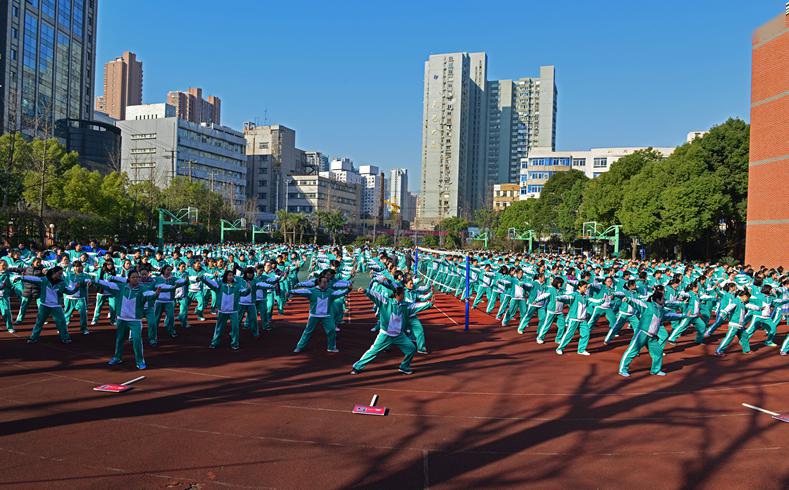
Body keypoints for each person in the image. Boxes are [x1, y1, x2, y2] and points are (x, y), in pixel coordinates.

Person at [351, 284, 432, 375]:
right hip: (386, 334)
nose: (404, 296)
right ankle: (357, 367)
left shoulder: (405, 305)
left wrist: (429, 304)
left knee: (411, 349)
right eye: (403, 294)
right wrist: (366, 291)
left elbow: (415, 306)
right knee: (373, 352)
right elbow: (376, 296)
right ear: (398, 295)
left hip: (399, 335)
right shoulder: (386, 302)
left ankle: (404, 367)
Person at [95, 270, 160, 369]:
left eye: (137, 277)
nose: (136, 279)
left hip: (135, 321)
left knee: (137, 340)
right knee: (120, 339)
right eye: (133, 277)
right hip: (122, 319)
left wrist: (156, 294)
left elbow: (150, 294)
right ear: (129, 278)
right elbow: (107, 284)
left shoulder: (143, 289)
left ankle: (140, 361)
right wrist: (94, 280)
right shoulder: (120, 287)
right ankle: (117, 357)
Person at [618, 290, 686, 377]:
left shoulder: (661, 310)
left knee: (658, 352)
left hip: (652, 336)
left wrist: (684, 315)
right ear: (657, 300)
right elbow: (638, 302)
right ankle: (622, 369)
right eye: (662, 299)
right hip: (642, 333)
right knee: (632, 351)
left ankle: (655, 370)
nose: (664, 300)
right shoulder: (648, 306)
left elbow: (671, 316)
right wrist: (628, 299)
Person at [23, 266, 88, 344]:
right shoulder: (44, 280)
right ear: (54, 273)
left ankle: (65, 338)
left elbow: (68, 292)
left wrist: (76, 288)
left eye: (61, 274)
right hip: (44, 305)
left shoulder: (62, 283)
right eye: (59, 273)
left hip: (56, 306)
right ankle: (33, 338)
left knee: (62, 322)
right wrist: (21, 277)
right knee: (39, 322)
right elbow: (33, 279)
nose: (60, 275)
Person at [289, 273, 350, 353]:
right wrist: (291, 291)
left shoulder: (330, 292)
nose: (326, 284)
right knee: (308, 331)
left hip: (326, 316)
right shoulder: (311, 291)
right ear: (319, 283)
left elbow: (340, 293)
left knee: (332, 331)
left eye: (327, 282)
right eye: (324, 282)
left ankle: (331, 347)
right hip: (314, 315)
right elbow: (301, 291)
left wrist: (348, 289)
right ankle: (299, 346)